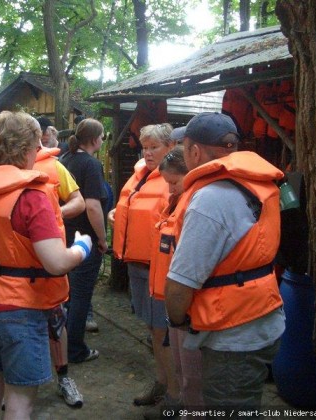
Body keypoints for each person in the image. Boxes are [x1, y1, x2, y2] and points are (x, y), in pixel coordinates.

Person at [0, 110, 92, 419]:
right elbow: (57, 262)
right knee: (20, 400)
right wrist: (81, 248)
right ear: (28, 146)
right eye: (37, 146)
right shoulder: (32, 195)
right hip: (20, 308)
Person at [164, 112, 285, 416]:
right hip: (264, 317)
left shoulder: (210, 199)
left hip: (232, 335)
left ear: (194, 152)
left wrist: (177, 320)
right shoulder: (259, 182)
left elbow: (181, 284)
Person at [107, 123, 179, 412]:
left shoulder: (176, 179)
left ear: (170, 147)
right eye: (144, 147)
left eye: (154, 148)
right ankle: (162, 383)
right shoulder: (142, 174)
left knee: (163, 333)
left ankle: (175, 395)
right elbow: (138, 208)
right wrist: (119, 213)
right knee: (153, 329)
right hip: (137, 264)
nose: (147, 153)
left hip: (158, 266)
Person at [148, 138, 204, 419]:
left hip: (186, 305)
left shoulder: (196, 207)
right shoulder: (174, 203)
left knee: (193, 374)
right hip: (169, 299)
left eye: (174, 183)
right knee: (182, 368)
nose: (169, 189)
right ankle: (179, 404)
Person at [33, 142, 86, 407]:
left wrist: (53, 213)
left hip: (50, 257)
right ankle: (15, 387)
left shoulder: (54, 167)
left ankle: (63, 377)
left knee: (56, 318)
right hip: (10, 269)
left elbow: (78, 202)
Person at [59, 118, 108, 364]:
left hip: (64, 235)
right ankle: (75, 349)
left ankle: (60, 342)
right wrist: (102, 238)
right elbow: (92, 206)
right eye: (101, 136)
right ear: (94, 139)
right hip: (85, 239)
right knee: (80, 295)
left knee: (67, 293)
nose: (102, 140)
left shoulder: (64, 160)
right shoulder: (90, 164)